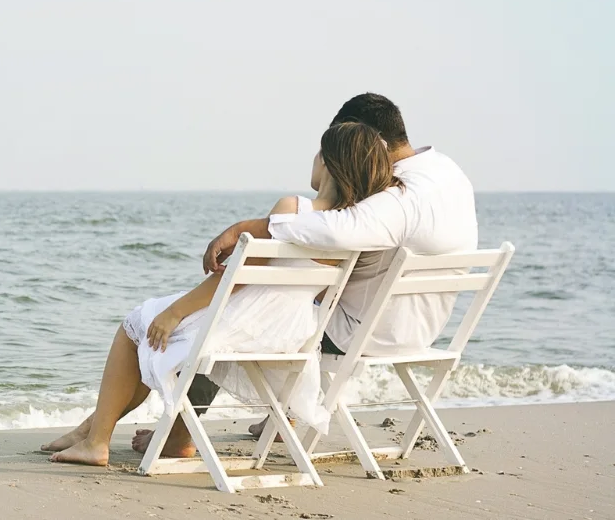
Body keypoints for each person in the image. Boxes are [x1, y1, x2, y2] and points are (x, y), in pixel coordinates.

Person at [131, 93, 479, 458]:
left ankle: (182, 433)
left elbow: (335, 229)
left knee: (235, 314)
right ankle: (284, 417)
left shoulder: (399, 195)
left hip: (364, 333)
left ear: (367, 139)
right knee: (295, 290)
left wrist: (251, 228)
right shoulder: (446, 172)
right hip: (421, 328)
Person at [43, 121, 403, 466]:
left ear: (327, 161)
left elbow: (238, 279)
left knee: (138, 324)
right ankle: (90, 430)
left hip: (245, 323)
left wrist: (176, 312)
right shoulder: (354, 229)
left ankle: (97, 441)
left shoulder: (294, 208)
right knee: (153, 332)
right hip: (289, 334)